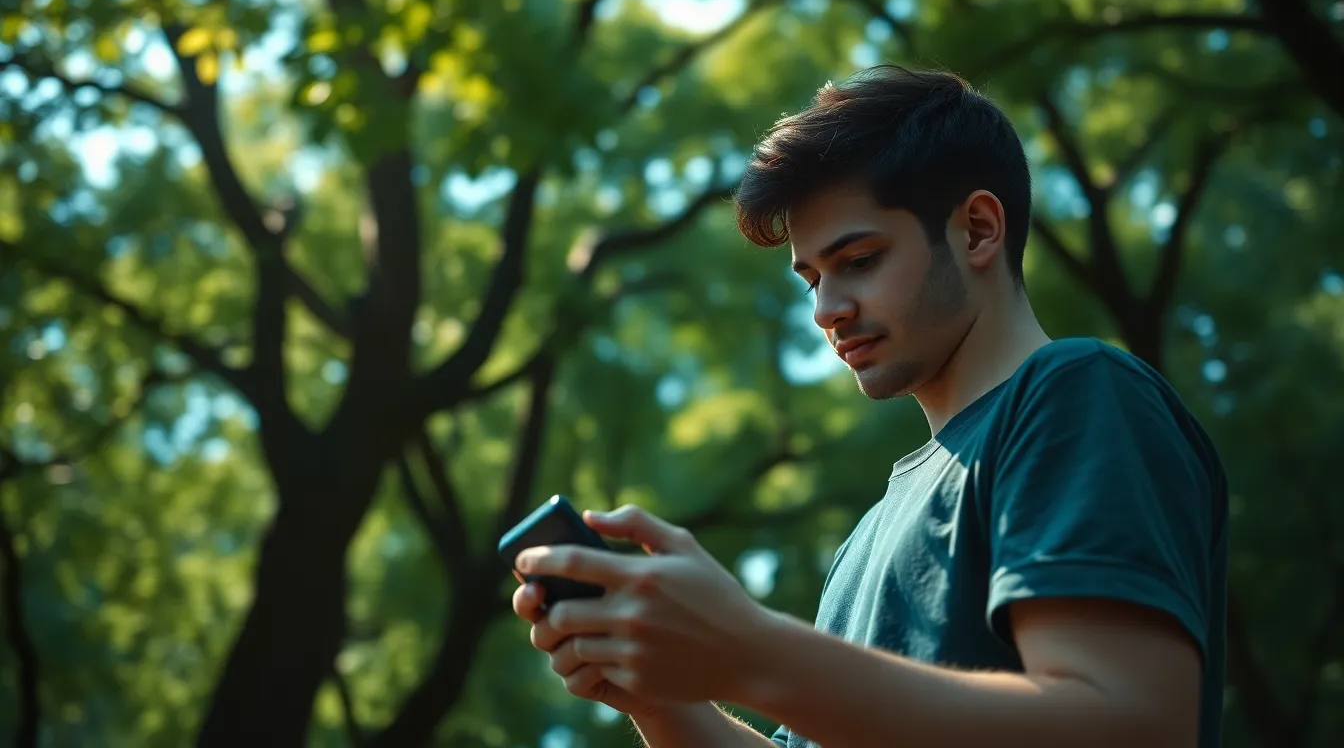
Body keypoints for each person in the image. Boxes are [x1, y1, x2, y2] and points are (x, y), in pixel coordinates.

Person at [510, 65, 1228, 748]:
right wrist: (661, 693)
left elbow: (1132, 728)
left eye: (858, 260)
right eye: (811, 278)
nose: (825, 309)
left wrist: (749, 649)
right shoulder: (866, 537)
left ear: (978, 229)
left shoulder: (1077, 391)